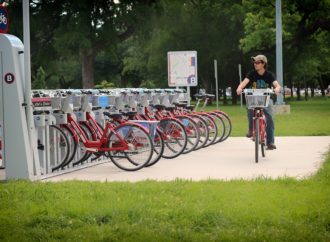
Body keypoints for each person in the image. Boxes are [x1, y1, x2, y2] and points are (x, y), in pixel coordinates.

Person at [236, 54, 281, 150]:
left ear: (263, 64)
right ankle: (251, 129)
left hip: (266, 99)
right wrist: (239, 88)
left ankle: (270, 142)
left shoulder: (269, 75)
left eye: (257, 62)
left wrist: (277, 89)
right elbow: (244, 82)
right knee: (249, 109)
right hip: (254, 98)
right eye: (254, 62)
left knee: (269, 117)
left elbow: (277, 85)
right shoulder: (251, 74)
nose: (255, 64)